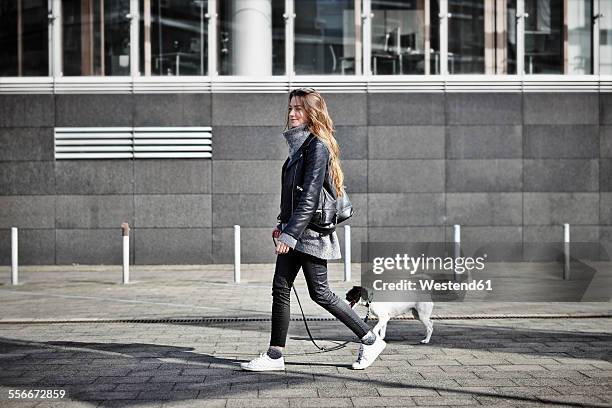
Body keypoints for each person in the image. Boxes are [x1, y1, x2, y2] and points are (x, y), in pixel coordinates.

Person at [240, 87, 386, 371]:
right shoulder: (301, 145)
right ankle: (274, 356)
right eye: (291, 108)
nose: (293, 113)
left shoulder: (316, 145)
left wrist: (290, 234)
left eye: (299, 108)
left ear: (312, 112)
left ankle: (370, 339)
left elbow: (309, 195)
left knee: (320, 293)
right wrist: (282, 226)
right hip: (295, 230)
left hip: (310, 233)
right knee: (280, 288)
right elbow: (293, 196)